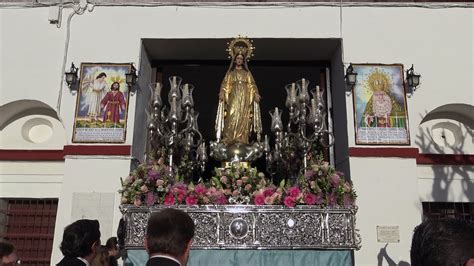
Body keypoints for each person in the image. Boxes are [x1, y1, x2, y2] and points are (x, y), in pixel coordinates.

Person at [216, 37, 262, 145]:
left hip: (245, 98)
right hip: (234, 97)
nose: (239, 60)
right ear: (235, 60)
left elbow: (252, 85)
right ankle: (230, 138)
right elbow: (225, 85)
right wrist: (222, 92)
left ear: (243, 60)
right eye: (238, 59)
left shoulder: (247, 74)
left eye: (241, 59)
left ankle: (242, 138)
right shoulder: (231, 73)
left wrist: (255, 94)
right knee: (232, 115)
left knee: (243, 117)